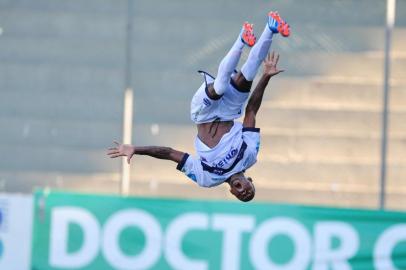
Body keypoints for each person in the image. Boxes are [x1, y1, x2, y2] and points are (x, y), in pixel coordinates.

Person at [108, 11, 290, 202]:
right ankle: (270, 27)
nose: (245, 192)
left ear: (232, 192)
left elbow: (170, 153)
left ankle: (241, 39)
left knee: (219, 87)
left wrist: (136, 149)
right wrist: (267, 76)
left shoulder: (207, 178)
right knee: (247, 77)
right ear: (250, 180)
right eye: (249, 190)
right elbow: (251, 110)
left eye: (242, 196)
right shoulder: (250, 155)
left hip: (203, 114)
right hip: (228, 112)